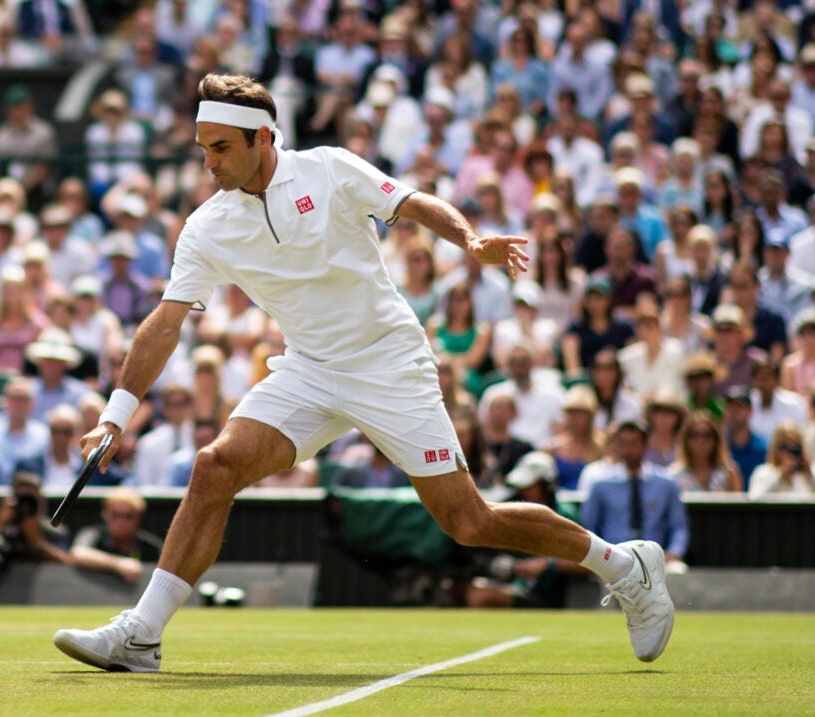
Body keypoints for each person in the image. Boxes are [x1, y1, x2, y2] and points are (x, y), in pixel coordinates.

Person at [54, 73, 676, 672]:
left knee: (468, 522)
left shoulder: (328, 168)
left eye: (221, 148)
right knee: (214, 467)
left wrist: (471, 241)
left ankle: (624, 566)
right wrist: (116, 415)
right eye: (203, 149)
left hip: (389, 365)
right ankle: (142, 636)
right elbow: (165, 322)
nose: (209, 163)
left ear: (263, 139)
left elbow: (412, 203)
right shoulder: (206, 226)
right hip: (310, 370)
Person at [463, 451, 591, 609]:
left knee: (480, 596)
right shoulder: (516, 511)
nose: (524, 491)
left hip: (550, 593)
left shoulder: (565, 514)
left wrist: (547, 565)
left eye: (530, 486)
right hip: (517, 586)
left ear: (546, 484)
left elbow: (587, 561)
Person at [580, 419, 690, 567]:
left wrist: (674, 553)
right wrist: (602, 557)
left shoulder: (666, 484)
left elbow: (678, 527)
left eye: (633, 444)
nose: (628, 450)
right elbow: (589, 527)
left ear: (645, 445)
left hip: (656, 560)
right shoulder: (600, 485)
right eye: (622, 444)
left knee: (678, 570)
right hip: (611, 561)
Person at [69, 487, 163, 583]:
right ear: (105, 515)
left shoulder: (150, 546)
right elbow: (78, 553)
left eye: (128, 516)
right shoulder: (92, 534)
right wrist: (119, 564)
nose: (121, 522)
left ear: (138, 518)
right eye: (115, 514)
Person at [669, 411, 743, 492]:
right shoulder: (674, 474)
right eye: (694, 434)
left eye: (707, 435)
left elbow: (738, 502)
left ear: (716, 440)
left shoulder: (728, 473)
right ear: (686, 440)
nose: (700, 440)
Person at [748, 423, 815, 498]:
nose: (789, 453)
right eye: (784, 447)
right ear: (775, 448)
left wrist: (809, 476)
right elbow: (755, 501)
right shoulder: (763, 473)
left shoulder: (808, 475)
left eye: (795, 448)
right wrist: (780, 476)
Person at [723, 385, 768, 491]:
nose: (733, 412)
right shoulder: (717, 447)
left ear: (750, 411)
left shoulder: (764, 448)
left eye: (739, 407)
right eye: (730, 407)